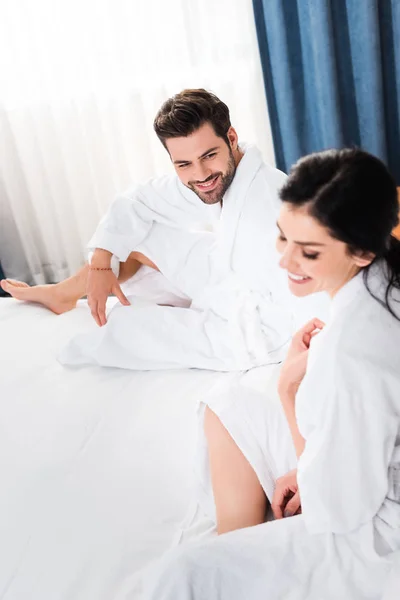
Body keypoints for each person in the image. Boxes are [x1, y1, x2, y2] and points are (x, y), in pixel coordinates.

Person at [142, 148, 400, 600]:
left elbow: (333, 511)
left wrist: (289, 393)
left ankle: (242, 554)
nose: (285, 261)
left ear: (361, 251)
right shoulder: (383, 281)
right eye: (282, 238)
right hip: (367, 465)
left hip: (374, 540)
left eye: (309, 251)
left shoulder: (348, 353)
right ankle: (240, 542)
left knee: (181, 575)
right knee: (232, 400)